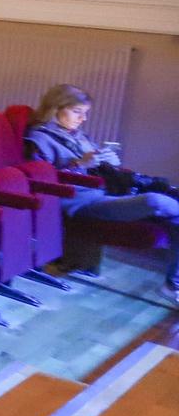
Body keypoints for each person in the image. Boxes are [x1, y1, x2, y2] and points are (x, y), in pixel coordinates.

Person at [25, 83, 179, 292]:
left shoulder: (77, 135)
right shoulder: (39, 139)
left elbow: (96, 166)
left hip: (102, 192)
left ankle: (174, 281)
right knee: (155, 201)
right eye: (77, 112)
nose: (83, 118)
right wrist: (79, 165)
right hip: (79, 201)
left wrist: (109, 161)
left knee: (171, 203)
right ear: (55, 108)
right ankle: (174, 283)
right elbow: (45, 183)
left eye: (85, 113)